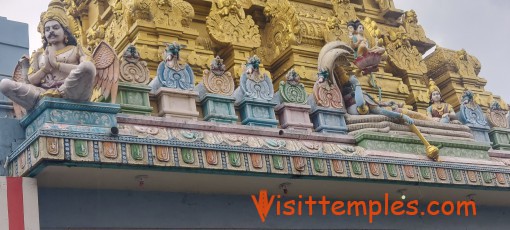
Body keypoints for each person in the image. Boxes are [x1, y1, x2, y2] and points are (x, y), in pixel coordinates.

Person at [0, 0, 95, 110]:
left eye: (55, 27)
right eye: (47, 29)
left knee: (88, 67)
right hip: (43, 92)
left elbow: (86, 70)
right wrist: (45, 69)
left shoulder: (77, 49)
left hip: (71, 90)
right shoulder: (39, 54)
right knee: (5, 85)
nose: (51, 32)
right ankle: (46, 98)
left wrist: (57, 65)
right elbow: (31, 80)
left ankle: (60, 93)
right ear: (44, 34)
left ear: (65, 31)